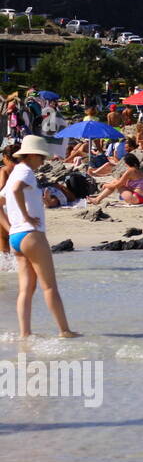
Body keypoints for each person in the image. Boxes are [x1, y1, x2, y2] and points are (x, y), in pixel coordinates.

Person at [0, 135, 79, 338]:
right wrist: (26, 217)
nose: (43, 162)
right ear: (33, 155)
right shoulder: (26, 171)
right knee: (50, 286)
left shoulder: (15, 172)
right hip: (31, 235)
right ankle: (65, 331)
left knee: (26, 289)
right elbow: (18, 190)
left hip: (16, 237)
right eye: (42, 157)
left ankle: (25, 334)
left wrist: (11, 227)